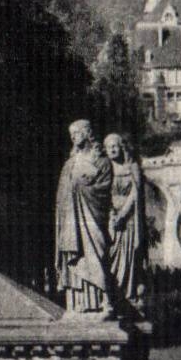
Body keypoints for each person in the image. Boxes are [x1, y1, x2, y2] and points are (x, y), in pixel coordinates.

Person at [55, 121, 114, 316]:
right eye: (71, 134)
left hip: (92, 216)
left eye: (77, 133)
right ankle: (78, 304)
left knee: (96, 254)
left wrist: (80, 187)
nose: (73, 137)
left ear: (87, 133)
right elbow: (62, 194)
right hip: (72, 219)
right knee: (77, 258)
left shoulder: (101, 161)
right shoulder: (70, 163)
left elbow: (104, 188)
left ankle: (105, 302)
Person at [104, 132, 146, 311]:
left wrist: (122, 214)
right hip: (110, 219)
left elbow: (136, 193)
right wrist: (111, 213)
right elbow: (102, 193)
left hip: (128, 220)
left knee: (128, 258)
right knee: (110, 256)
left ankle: (128, 295)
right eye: (109, 147)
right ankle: (113, 295)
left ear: (121, 147)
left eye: (115, 145)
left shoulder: (132, 167)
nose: (112, 149)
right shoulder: (105, 169)